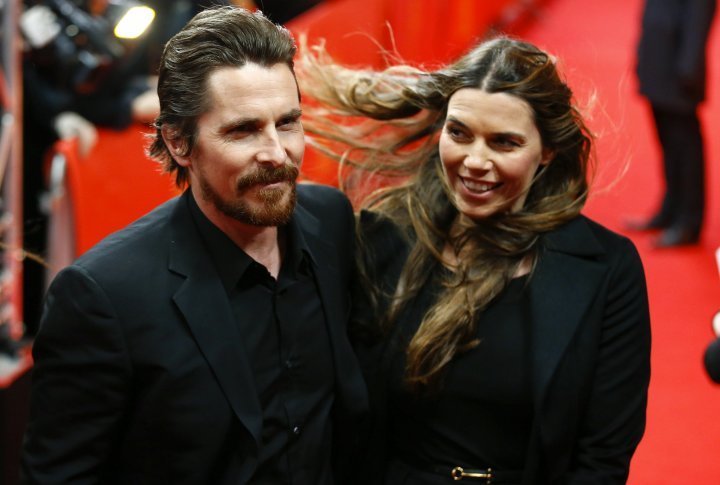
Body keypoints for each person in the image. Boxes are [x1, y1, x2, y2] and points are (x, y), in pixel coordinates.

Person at [21, 6, 367, 484]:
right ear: (179, 142)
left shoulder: (330, 220)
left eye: (287, 123)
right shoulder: (103, 295)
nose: (275, 153)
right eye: (242, 130)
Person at [298, 36, 652, 484]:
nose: (475, 161)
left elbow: (602, 458)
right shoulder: (385, 238)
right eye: (460, 133)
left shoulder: (607, 270)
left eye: (504, 143)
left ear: (546, 151)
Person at [629, 0, 717, 247]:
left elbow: (700, 15)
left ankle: (689, 221)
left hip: (679, 69)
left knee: (685, 147)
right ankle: (670, 209)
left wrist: (690, 67)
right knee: (667, 143)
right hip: (657, 60)